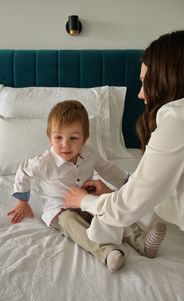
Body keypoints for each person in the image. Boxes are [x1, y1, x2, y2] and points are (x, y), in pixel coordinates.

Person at [7, 100, 166, 273]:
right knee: (74, 225)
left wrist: (129, 186)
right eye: (58, 137)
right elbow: (23, 170)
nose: (65, 144)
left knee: (108, 210)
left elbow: (108, 169)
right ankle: (108, 252)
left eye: (73, 138)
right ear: (49, 137)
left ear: (84, 139)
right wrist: (22, 200)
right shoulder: (45, 163)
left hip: (86, 200)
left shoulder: (89, 154)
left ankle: (142, 242)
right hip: (60, 209)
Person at [64, 30, 184, 238]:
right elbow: (159, 186)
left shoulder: (177, 120)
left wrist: (83, 201)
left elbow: (128, 207)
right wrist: (120, 191)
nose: (140, 93)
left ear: (167, 79)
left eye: (145, 81)